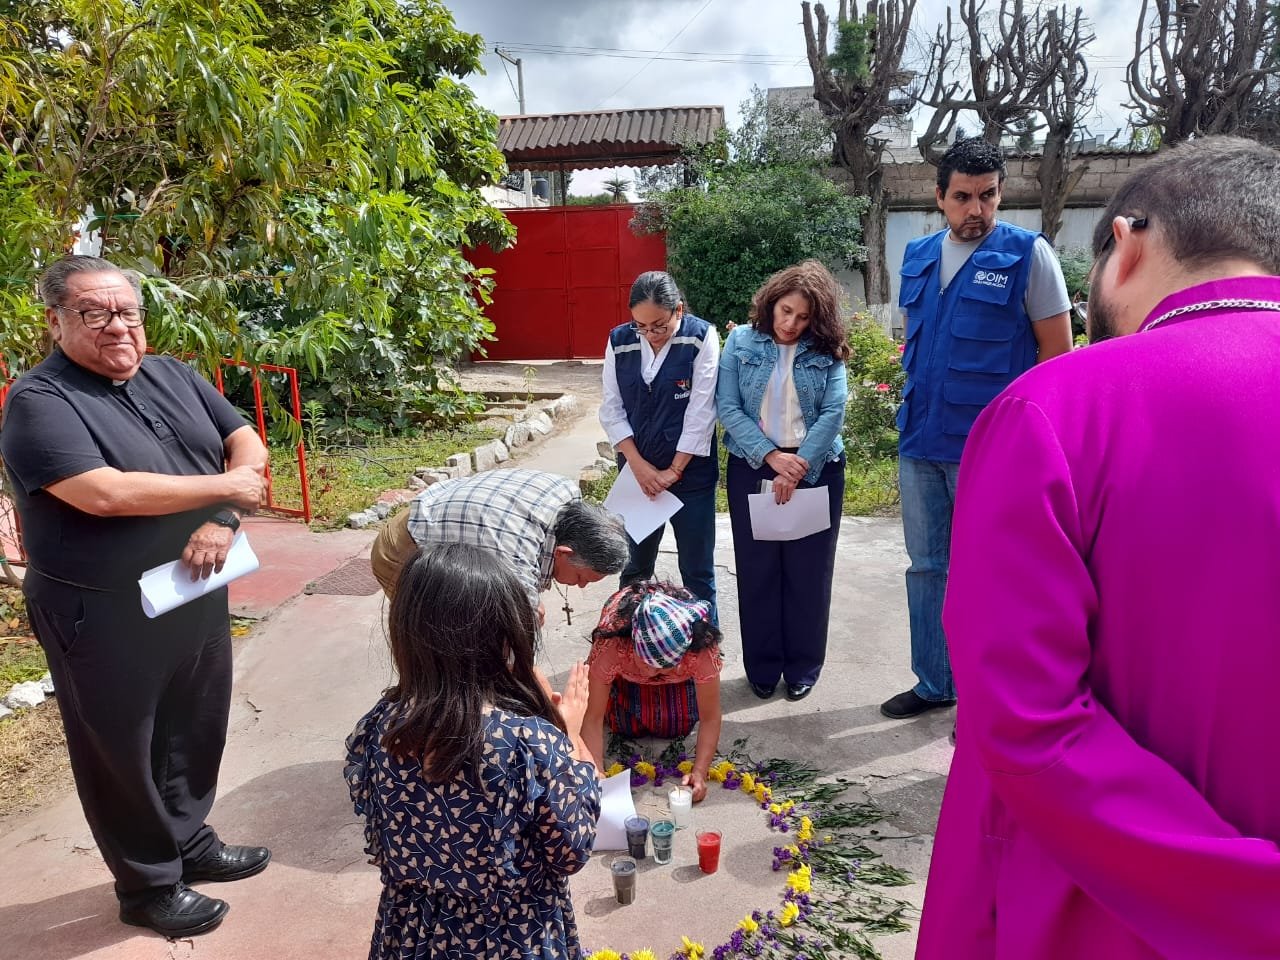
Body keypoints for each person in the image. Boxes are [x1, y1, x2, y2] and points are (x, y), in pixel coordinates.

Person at [917, 136, 1280, 958]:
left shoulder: (1058, 411)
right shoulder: (922, 262)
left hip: (1103, 915)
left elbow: (1026, 719)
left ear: (1125, 243)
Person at [0, 255, 272, 936]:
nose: (117, 327)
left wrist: (224, 517)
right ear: (56, 321)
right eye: (95, 313)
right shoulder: (41, 401)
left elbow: (244, 442)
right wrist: (226, 491)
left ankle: (188, 841)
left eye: (127, 312)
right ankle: (148, 883)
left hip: (194, 583)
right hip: (101, 607)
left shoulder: (171, 373)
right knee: (121, 746)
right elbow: (102, 492)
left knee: (194, 722)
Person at [881, 137, 1073, 722]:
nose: (976, 210)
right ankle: (935, 682)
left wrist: (1034, 449)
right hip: (920, 442)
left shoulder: (1028, 256)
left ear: (1000, 194)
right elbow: (910, 344)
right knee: (926, 567)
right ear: (939, 197)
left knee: (993, 572)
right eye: (962, 197)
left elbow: (1056, 358)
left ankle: (993, 697)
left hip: (989, 452)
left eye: (987, 196)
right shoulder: (915, 256)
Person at [346, 543, 600, 960]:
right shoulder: (527, 742)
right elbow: (572, 849)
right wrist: (569, 735)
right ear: (502, 636)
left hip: (414, 933)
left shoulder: (380, 726)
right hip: (512, 936)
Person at [717, 260, 849, 702]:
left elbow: (833, 412)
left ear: (819, 318)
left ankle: (802, 667)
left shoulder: (827, 352)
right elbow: (728, 407)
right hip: (753, 466)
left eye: (804, 316)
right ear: (771, 303)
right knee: (758, 572)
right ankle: (762, 667)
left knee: (808, 574)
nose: (791, 323)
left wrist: (800, 466)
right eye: (786, 311)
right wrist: (773, 457)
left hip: (817, 469)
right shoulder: (739, 342)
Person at [599, 271, 720, 620]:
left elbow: (702, 410)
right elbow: (612, 407)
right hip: (637, 475)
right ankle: (627, 642)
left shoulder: (700, 337)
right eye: (641, 326)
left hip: (690, 476)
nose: (650, 335)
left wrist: (673, 471)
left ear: (678, 311)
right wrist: (638, 466)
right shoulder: (619, 341)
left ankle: (704, 650)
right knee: (635, 566)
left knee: (697, 571)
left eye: (659, 326)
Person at [369, 468, 627, 622]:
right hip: (405, 545)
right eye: (583, 577)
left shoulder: (568, 492)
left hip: (452, 514)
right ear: (563, 553)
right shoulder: (515, 554)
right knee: (442, 634)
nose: (580, 585)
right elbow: (515, 645)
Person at [581, 581, 723, 801]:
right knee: (624, 725)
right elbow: (592, 716)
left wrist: (699, 773)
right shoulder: (613, 644)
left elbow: (711, 717)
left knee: (675, 725)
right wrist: (596, 774)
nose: (650, 671)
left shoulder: (700, 650)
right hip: (626, 674)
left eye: (661, 666)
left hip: (675, 679)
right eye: (645, 662)